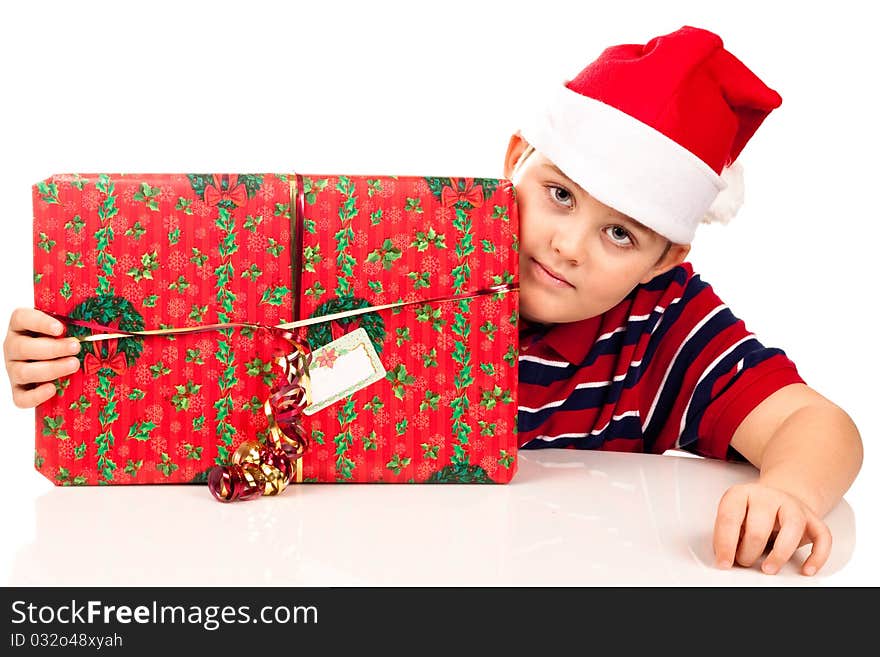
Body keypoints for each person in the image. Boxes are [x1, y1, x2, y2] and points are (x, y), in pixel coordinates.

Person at [3, 26, 863, 576]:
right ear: (518, 158)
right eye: (561, 197)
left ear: (666, 256)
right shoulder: (416, 263)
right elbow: (261, 377)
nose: (567, 243)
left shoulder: (665, 328)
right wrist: (65, 359)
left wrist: (790, 489)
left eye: (621, 234)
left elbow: (818, 426)